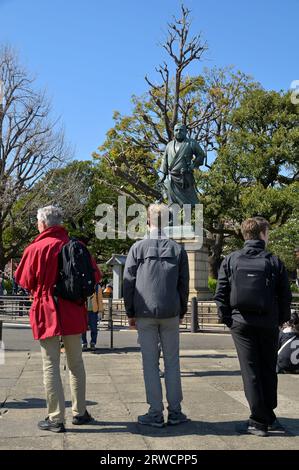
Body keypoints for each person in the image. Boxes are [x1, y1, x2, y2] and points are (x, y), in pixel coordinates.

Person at [15, 206, 101, 433]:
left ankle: (56, 417)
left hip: (46, 309)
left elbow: (23, 280)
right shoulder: (77, 246)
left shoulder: (35, 248)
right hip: (73, 309)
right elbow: (96, 275)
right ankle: (80, 412)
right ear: (60, 223)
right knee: (76, 363)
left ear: (43, 224)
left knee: (50, 365)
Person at [214, 216, 292, 437]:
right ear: (262, 234)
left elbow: (220, 294)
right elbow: (285, 295)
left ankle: (258, 421)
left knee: (251, 371)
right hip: (268, 322)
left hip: (241, 323)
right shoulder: (274, 261)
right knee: (269, 368)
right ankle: (269, 416)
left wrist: (228, 320)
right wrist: (280, 320)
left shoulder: (231, 259)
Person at [123, 203, 189, 427]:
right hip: (171, 311)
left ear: (148, 221)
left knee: (149, 363)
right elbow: (183, 285)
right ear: (168, 222)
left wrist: (130, 312)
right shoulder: (178, 250)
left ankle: (155, 411)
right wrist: (182, 311)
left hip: (144, 311)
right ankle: (176, 411)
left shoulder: (137, 248)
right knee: (172, 362)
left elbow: (128, 283)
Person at [159, 123, 205, 207]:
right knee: (172, 202)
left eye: (181, 130)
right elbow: (164, 159)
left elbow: (201, 155)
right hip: (172, 177)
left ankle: (189, 219)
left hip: (185, 177)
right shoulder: (169, 145)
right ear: (174, 132)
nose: (179, 132)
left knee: (189, 203)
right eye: (176, 130)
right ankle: (172, 220)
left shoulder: (191, 143)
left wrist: (193, 165)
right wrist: (163, 173)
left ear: (186, 132)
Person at [82, 283, 104, 351]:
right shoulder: (82, 284)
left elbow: (100, 300)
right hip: (83, 311)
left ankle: (93, 343)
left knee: (94, 328)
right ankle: (84, 343)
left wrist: (100, 311)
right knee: (82, 328)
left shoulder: (97, 286)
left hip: (93, 311)